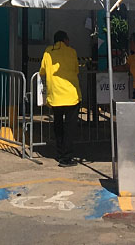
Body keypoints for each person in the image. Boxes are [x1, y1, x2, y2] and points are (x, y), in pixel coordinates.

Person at [40, 30, 80, 167]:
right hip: (71, 95)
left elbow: (42, 71)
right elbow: (76, 70)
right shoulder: (72, 52)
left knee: (58, 125)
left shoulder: (47, 52)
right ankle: (66, 157)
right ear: (64, 40)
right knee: (69, 127)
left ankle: (59, 152)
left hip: (55, 96)